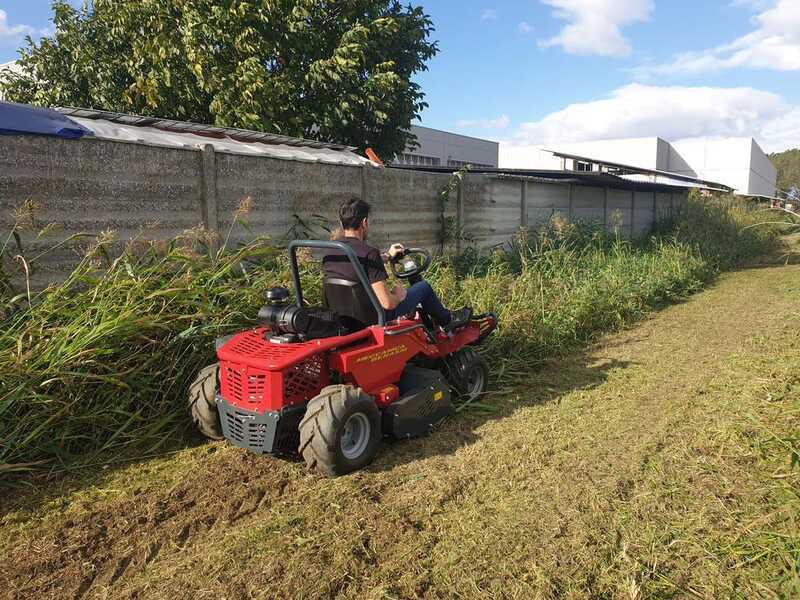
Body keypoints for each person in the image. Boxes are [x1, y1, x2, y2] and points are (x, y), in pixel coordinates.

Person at [323, 197, 471, 331]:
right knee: (423, 288)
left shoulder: (332, 253)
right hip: (375, 317)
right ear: (364, 223)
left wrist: (387, 256)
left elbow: (358, 265)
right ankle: (448, 321)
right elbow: (388, 304)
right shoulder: (369, 253)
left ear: (342, 224)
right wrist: (398, 296)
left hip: (347, 320)